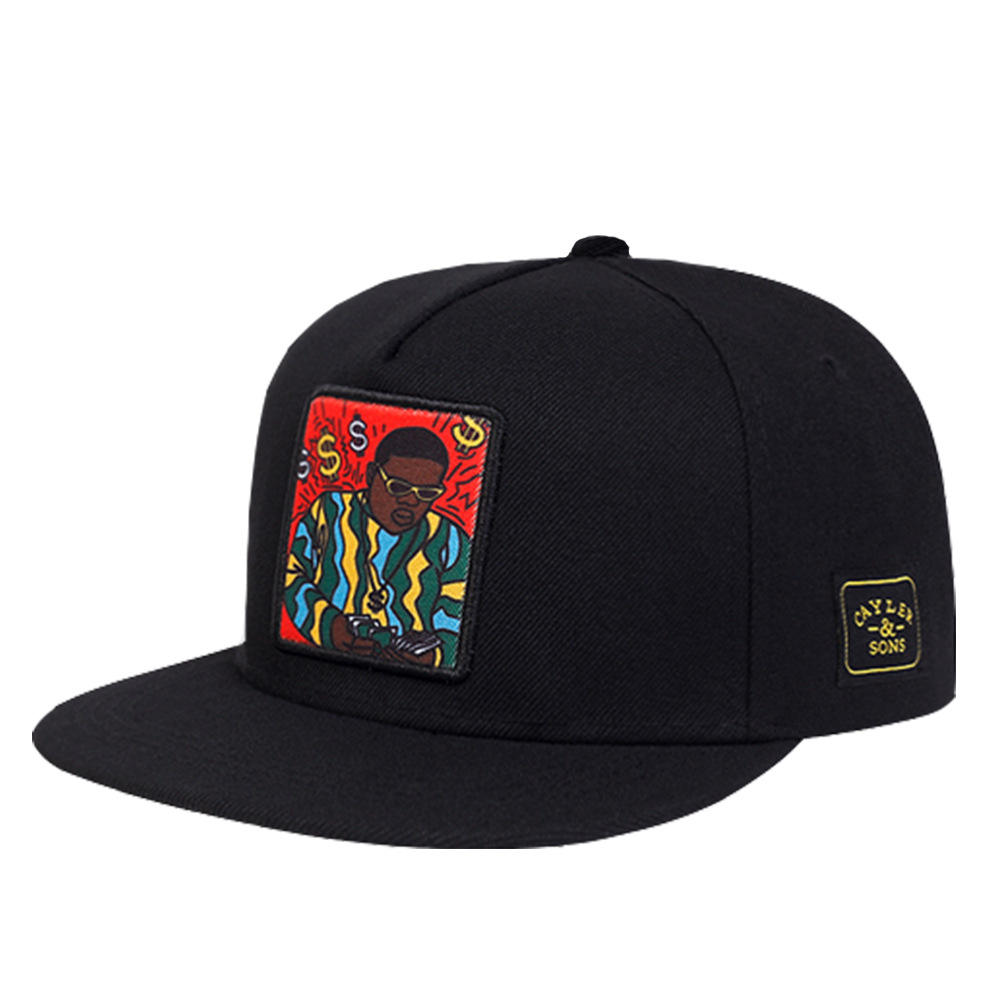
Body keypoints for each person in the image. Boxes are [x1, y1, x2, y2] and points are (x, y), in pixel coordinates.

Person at [284, 426, 470, 668]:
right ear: (372, 474)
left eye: (426, 493)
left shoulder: (450, 539)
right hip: (314, 668)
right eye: (398, 487)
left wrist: (434, 657)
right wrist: (330, 626)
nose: (410, 501)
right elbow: (291, 575)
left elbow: (458, 615)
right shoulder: (329, 512)